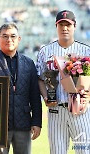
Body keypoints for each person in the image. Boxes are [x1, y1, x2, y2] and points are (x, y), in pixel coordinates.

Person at [36, 10, 90, 154]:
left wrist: (88, 97)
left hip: (81, 111)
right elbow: (40, 79)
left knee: (84, 152)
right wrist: (45, 97)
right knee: (57, 152)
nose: (64, 28)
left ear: (75, 26)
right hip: (56, 110)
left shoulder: (86, 51)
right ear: (56, 26)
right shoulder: (45, 51)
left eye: (68, 25)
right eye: (61, 25)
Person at [0, 22, 42, 154]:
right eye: (5, 36)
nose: (9, 39)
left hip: (23, 124)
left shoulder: (29, 63)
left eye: (13, 36)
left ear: (19, 39)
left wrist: (37, 122)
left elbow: (35, 95)